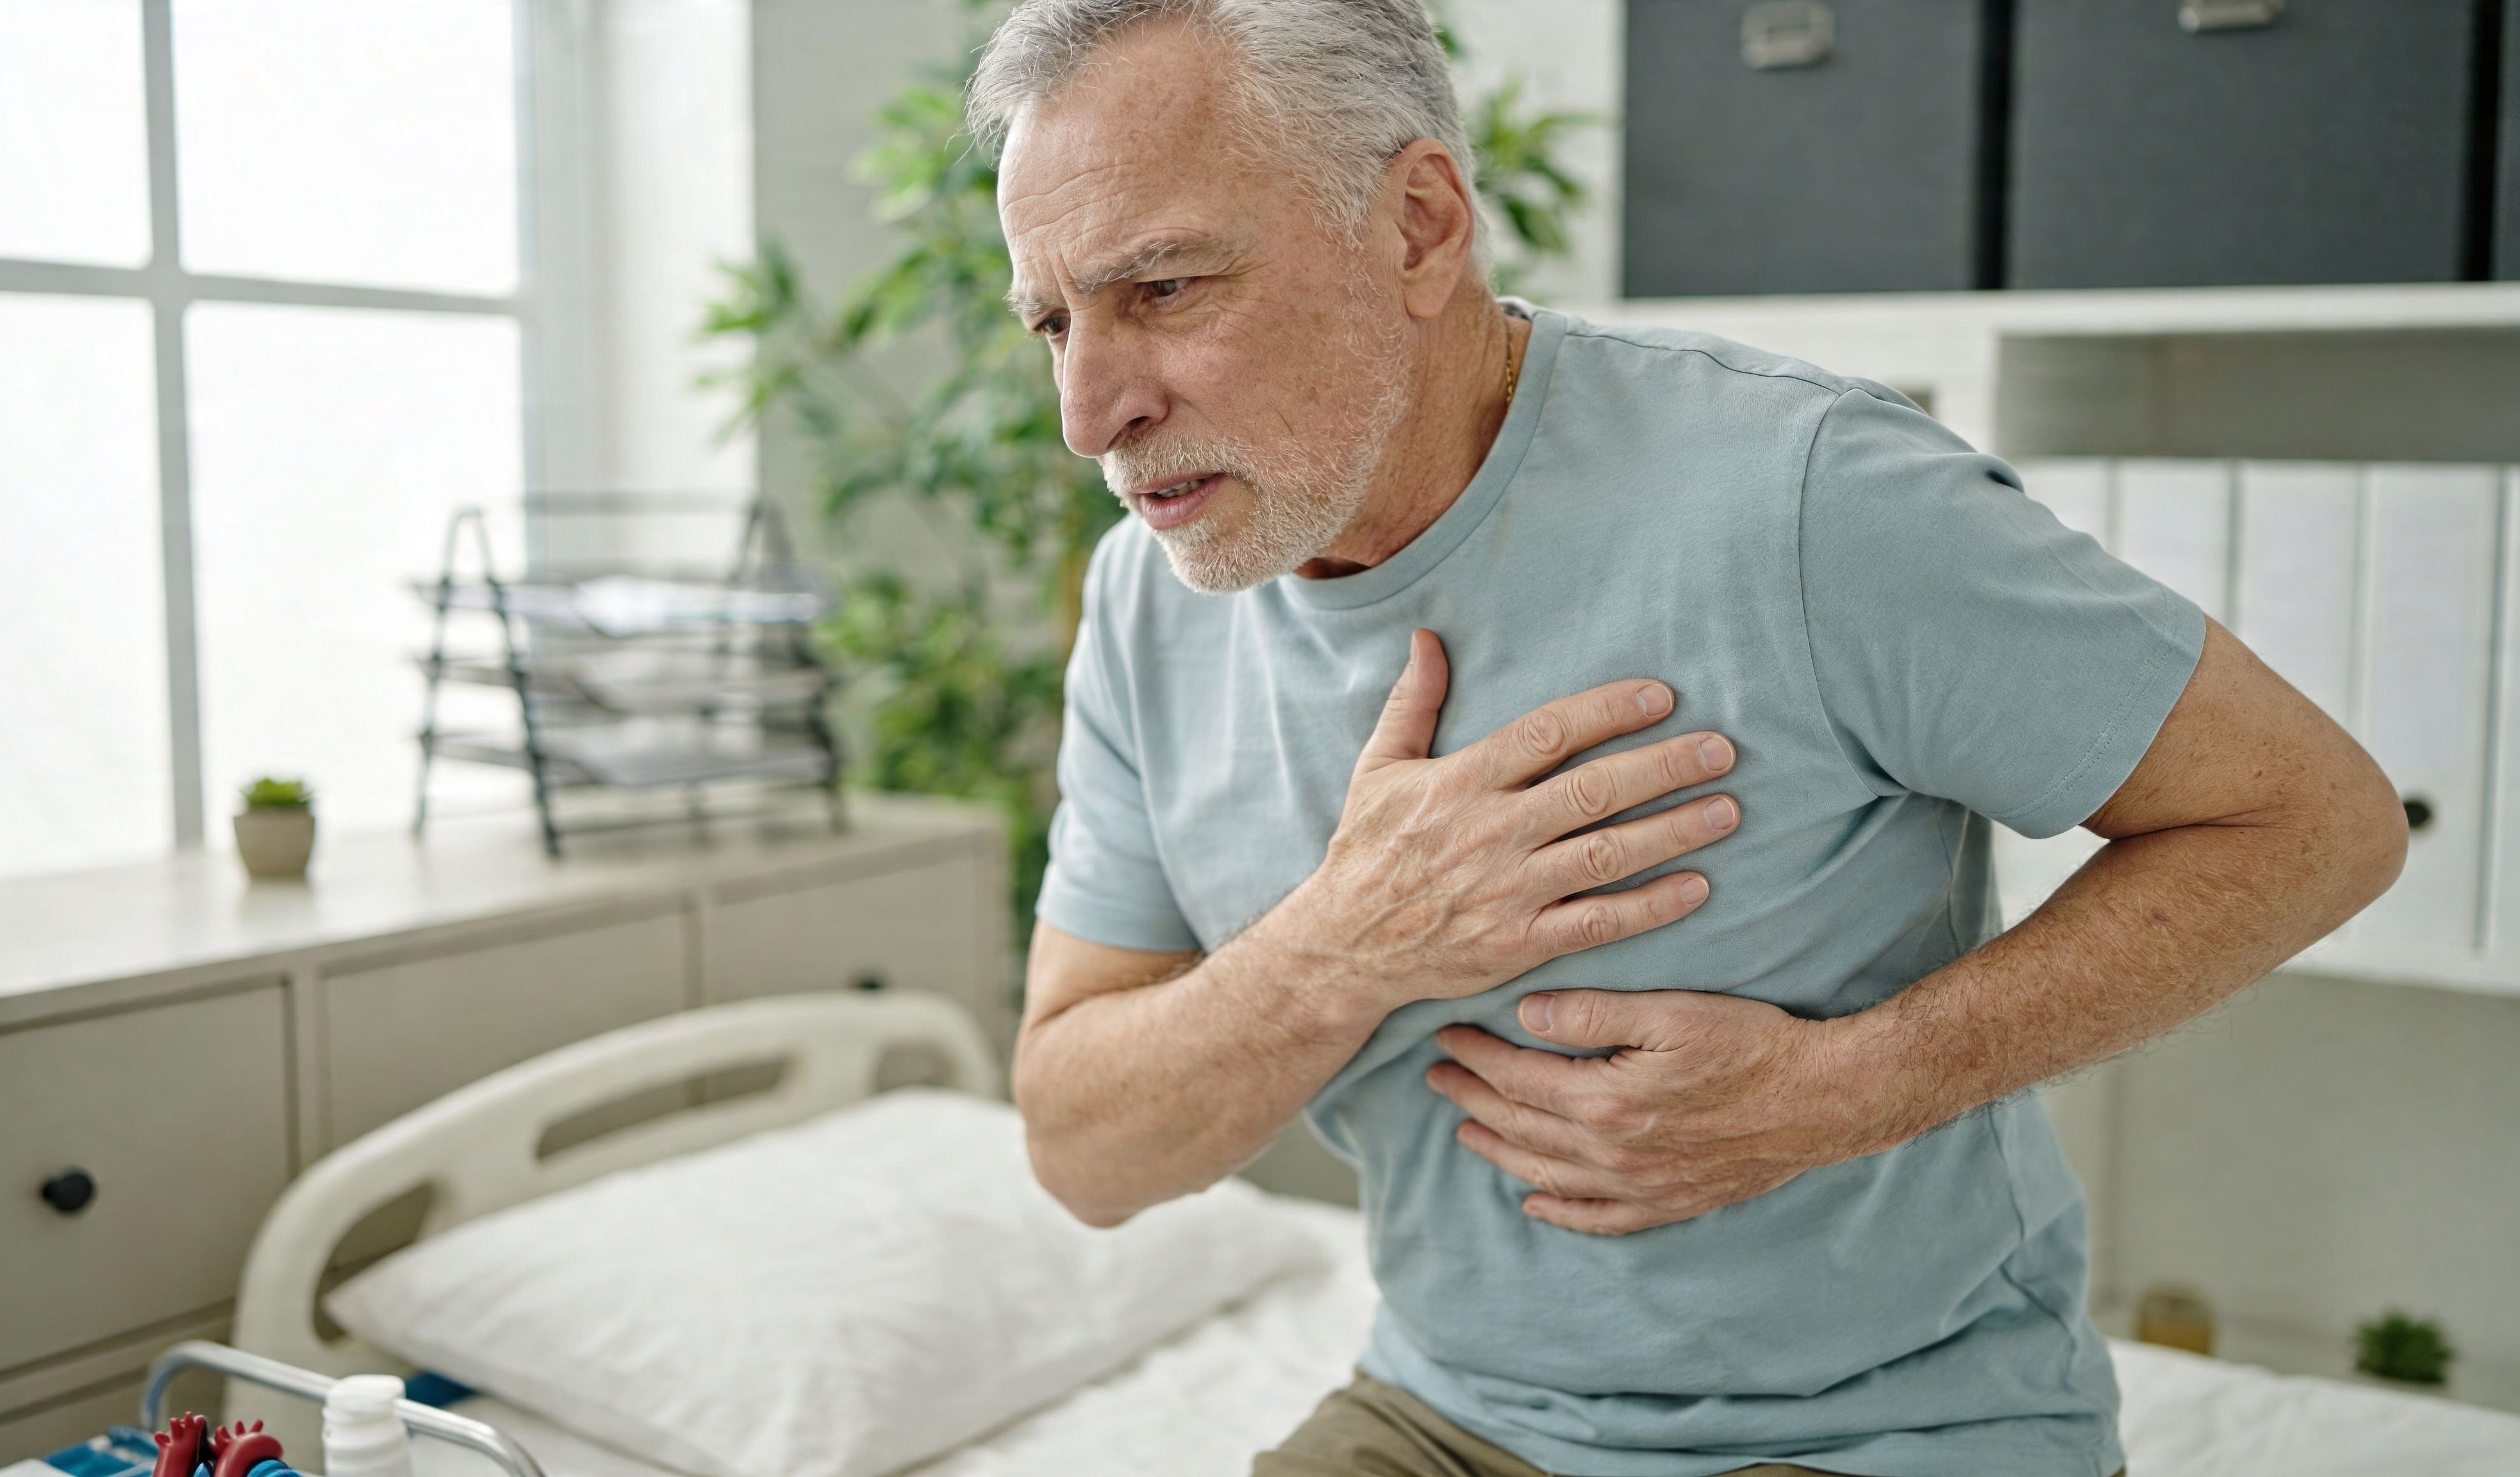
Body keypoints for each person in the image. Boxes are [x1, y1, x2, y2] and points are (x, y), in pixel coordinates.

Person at [969, 3, 2408, 1474]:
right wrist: (1350, 943)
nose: (1089, 413)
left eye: (1161, 286)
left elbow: (2310, 820)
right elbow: (1086, 1151)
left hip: (1880, 1430)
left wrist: (1841, 1091)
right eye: (1051, 322)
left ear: (1415, 227)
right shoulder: (1150, 605)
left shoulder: (1802, 495)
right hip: (1448, 1412)